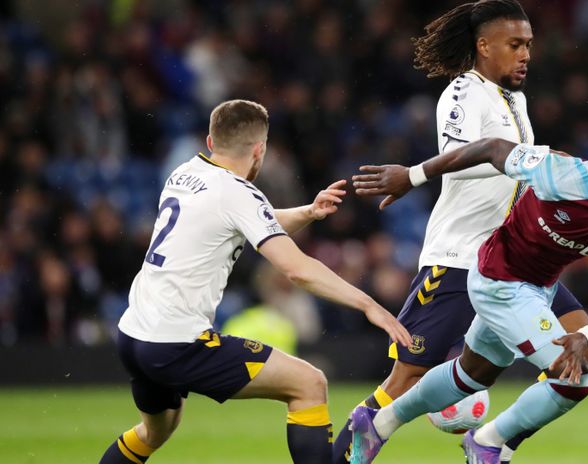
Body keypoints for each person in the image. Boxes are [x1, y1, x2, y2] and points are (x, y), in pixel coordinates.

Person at [331, 2, 588, 462]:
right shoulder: (463, 93)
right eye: (515, 45)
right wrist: (527, 158)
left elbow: (515, 166)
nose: (525, 55)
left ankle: (492, 440)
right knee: (404, 381)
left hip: (520, 261)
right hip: (459, 257)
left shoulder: (515, 100)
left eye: (529, 46)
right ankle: (344, 452)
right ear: (484, 46)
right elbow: (460, 156)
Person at [349, 103, 588, 463]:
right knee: (576, 378)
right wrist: (413, 176)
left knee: (471, 375)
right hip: (497, 280)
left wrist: (584, 335)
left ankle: (377, 423)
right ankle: (489, 442)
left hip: (540, 289)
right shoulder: (565, 175)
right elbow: (491, 148)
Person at [98, 99, 411, 464]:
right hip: (176, 342)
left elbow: (247, 220)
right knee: (309, 384)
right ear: (260, 149)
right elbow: (297, 268)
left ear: (211, 142)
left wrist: (307, 212)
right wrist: (369, 304)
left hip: (134, 335)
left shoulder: (186, 172)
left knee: (154, 432)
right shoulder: (238, 193)